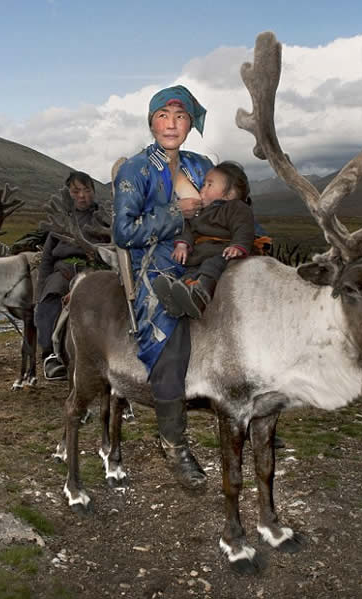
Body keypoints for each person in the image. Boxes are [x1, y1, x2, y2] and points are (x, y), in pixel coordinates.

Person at [113, 85, 212, 490]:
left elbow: (228, 206)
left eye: (181, 116)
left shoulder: (201, 165)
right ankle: (174, 443)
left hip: (206, 256)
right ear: (152, 122)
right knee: (170, 341)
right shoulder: (135, 170)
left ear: (191, 123)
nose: (172, 124)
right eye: (164, 116)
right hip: (155, 265)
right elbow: (123, 231)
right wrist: (176, 213)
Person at [153, 161, 254, 319]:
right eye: (204, 184)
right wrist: (182, 245)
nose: (202, 188)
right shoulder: (200, 212)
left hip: (223, 253)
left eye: (209, 184)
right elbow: (187, 228)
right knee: (191, 271)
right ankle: (178, 298)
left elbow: (244, 227)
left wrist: (238, 246)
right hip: (199, 255)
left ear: (229, 194)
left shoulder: (236, 208)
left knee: (211, 266)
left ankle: (201, 294)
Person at [36, 171, 101, 380]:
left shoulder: (104, 218)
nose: (82, 195)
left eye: (87, 190)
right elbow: (47, 259)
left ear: (94, 192)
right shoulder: (60, 221)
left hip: (91, 269)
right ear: (68, 194)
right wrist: (41, 290)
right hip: (62, 271)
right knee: (50, 300)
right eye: (76, 191)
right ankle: (51, 356)